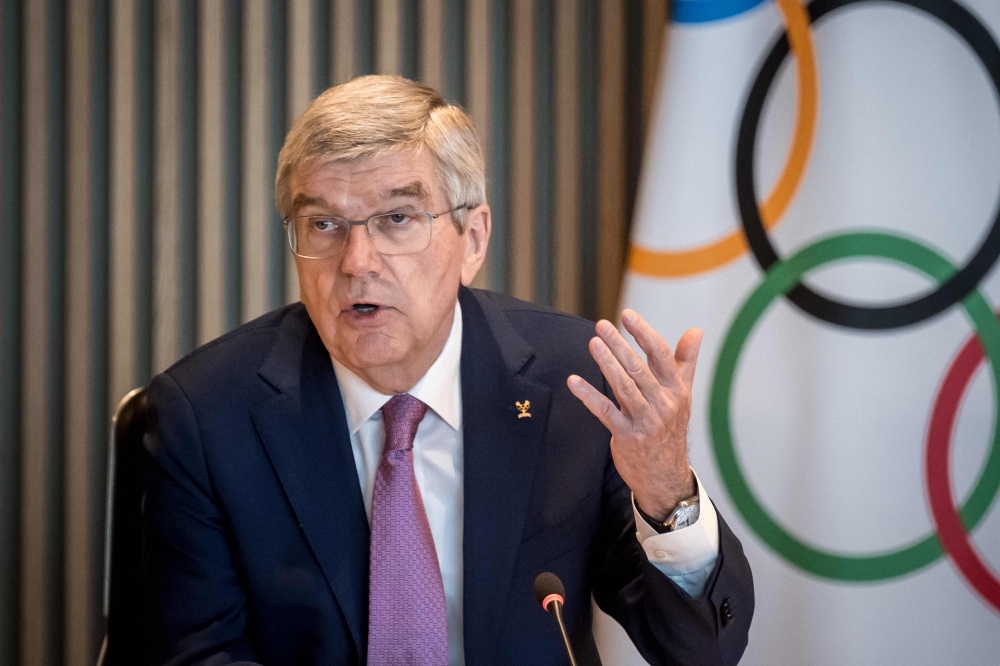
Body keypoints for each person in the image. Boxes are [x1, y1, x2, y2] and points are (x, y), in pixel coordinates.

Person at [143, 75, 753, 666]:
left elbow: (700, 651)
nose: (357, 262)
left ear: (473, 239)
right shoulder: (207, 416)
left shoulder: (579, 387)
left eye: (397, 219)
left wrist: (666, 491)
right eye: (323, 224)